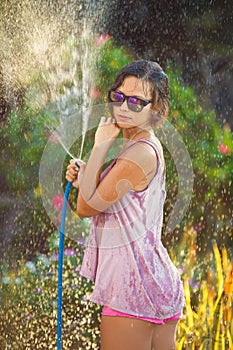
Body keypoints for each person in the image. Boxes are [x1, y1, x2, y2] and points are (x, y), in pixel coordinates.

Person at [66, 60, 185, 350]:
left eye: (136, 102)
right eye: (118, 97)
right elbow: (111, 199)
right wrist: (87, 176)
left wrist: (99, 146)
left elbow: (85, 208)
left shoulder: (138, 153)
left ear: (156, 111)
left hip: (133, 291)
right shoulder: (142, 145)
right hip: (153, 283)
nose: (123, 108)